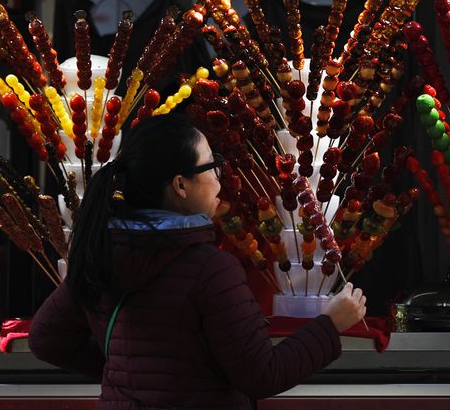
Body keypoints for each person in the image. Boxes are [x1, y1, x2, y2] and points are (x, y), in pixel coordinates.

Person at [30, 113, 366, 409]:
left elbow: (46, 338)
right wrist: (330, 324)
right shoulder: (210, 269)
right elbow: (263, 375)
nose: (219, 177)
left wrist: (131, 372)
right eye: (211, 165)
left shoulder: (101, 250)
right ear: (180, 184)